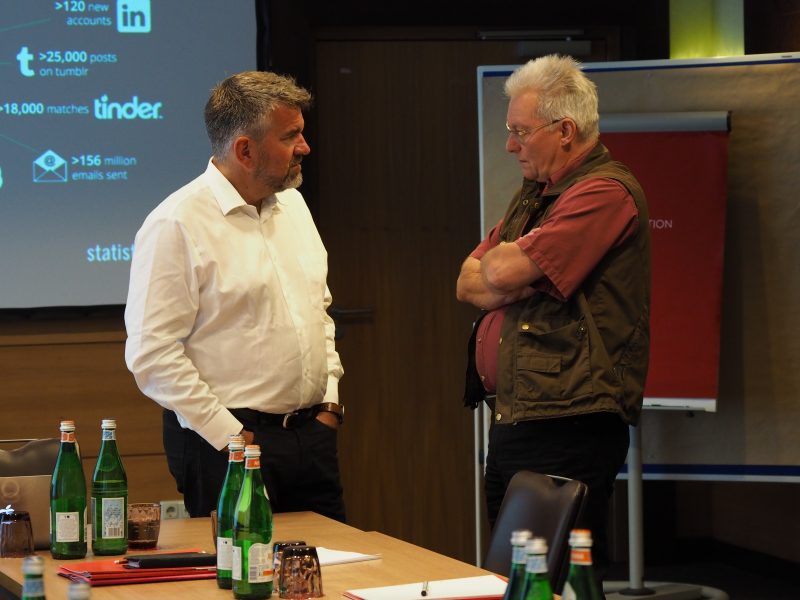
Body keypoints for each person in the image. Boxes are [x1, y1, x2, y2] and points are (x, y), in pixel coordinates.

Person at [456, 54, 650, 582]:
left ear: (565, 131)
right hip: (521, 413)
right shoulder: (536, 196)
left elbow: (500, 268)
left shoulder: (603, 192)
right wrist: (512, 273)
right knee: (513, 576)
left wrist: (507, 270)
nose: (509, 145)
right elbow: (468, 280)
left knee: (552, 579)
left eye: (520, 131)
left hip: (567, 418)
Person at [125, 71, 345, 522]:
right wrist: (230, 436)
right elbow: (152, 355)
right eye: (291, 136)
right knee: (240, 566)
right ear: (245, 150)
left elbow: (317, 311)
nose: (305, 147)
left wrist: (330, 403)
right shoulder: (176, 223)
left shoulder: (294, 206)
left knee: (331, 562)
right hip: (226, 445)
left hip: (310, 437)